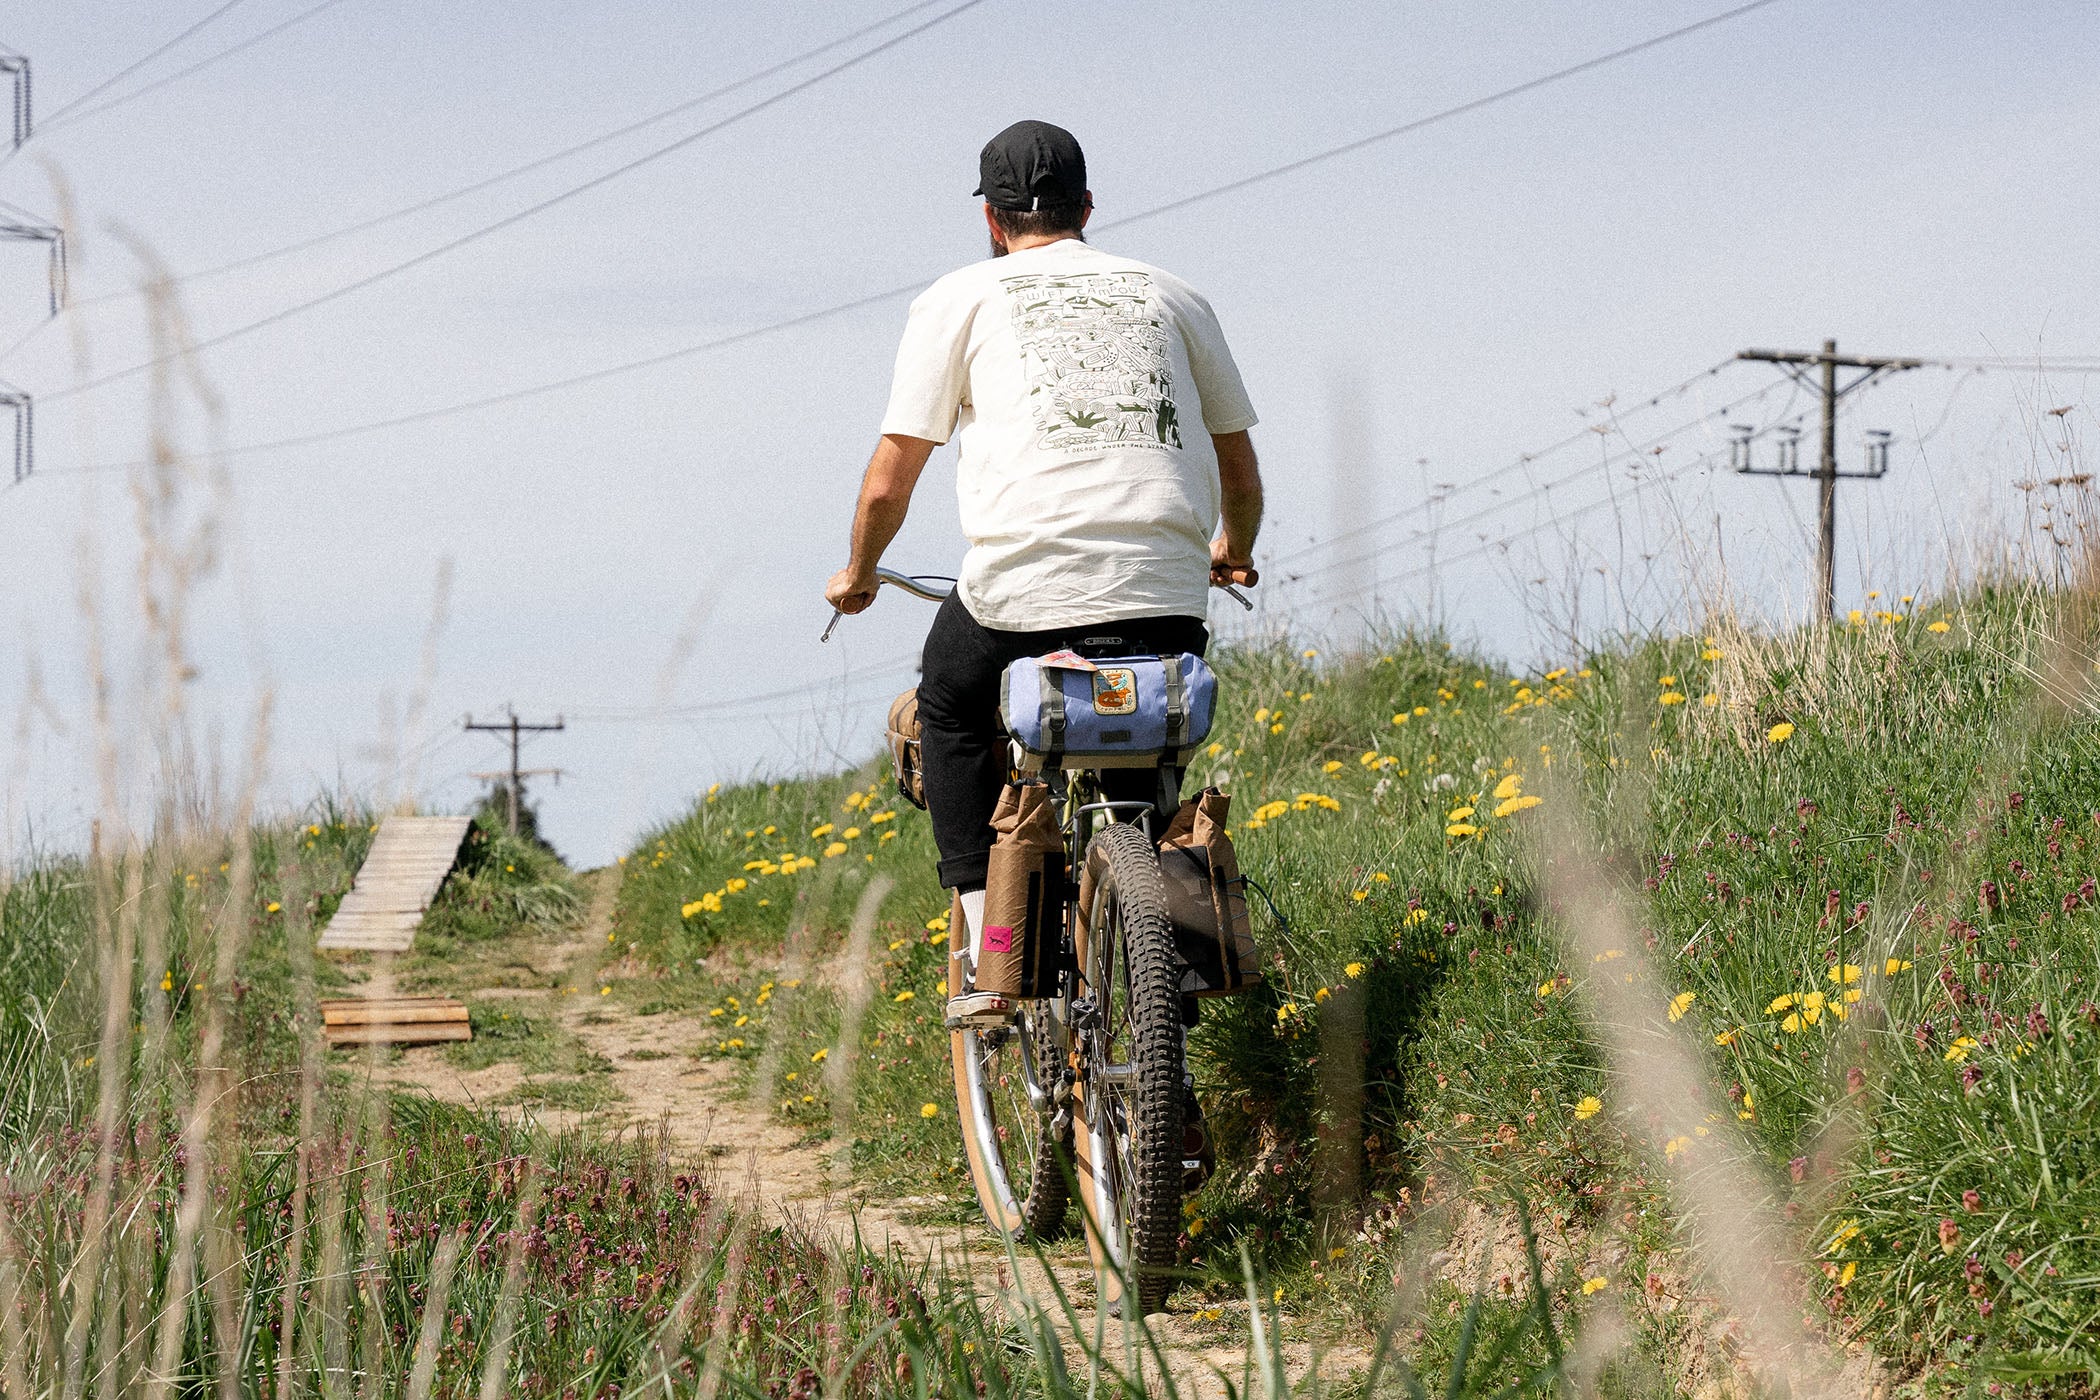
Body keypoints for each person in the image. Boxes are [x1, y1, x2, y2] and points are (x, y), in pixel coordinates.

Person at [824, 120, 1263, 1025]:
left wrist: (859, 572)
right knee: (1151, 759)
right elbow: (1240, 470)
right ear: (1087, 208)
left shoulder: (960, 297)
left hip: (1021, 597)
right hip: (1164, 597)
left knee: (947, 707)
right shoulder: (1175, 295)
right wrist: (1235, 550)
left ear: (991, 220)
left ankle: (991, 940)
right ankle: (1164, 976)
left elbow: (889, 479)